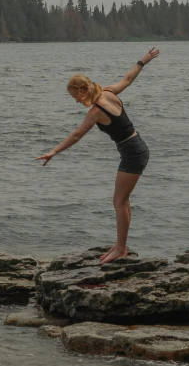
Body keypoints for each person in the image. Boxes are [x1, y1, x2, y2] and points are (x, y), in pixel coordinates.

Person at [37, 47, 160, 264]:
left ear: (82, 90)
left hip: (132, 153)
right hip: (137, 148)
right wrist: (142, 60)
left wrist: (53, 151)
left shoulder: (96, 111)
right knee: (123, 200)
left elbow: (76, 135)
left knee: (119, 201)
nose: (76, 101)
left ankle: (121, 249)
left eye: (75, 96)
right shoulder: (109, 92)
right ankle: (121, 244)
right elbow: (128, 78)